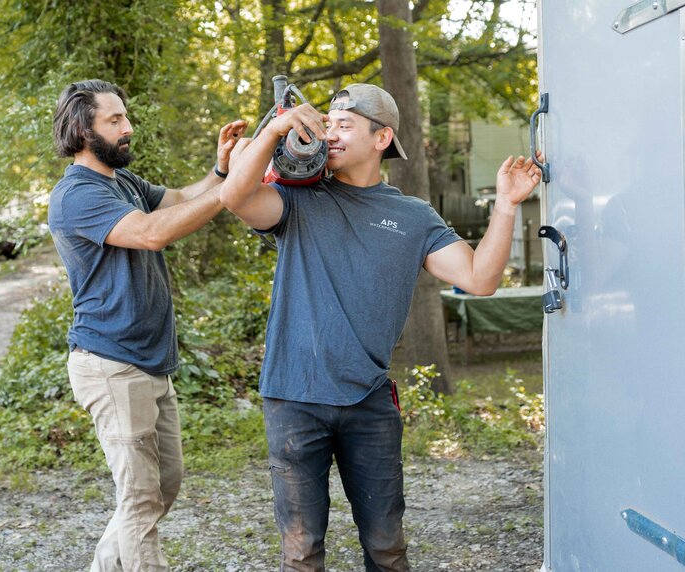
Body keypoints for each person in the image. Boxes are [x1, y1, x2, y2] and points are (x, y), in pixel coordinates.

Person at [219, 83, 541, 571]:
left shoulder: (413, 218)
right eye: (326, 124)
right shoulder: (296, 202)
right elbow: (234, 195)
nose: (329, 134)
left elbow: (480, 279)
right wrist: (277, 129)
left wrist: (506, 205)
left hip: (368, 403)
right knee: (301, 551)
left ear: (382, 138)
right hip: (294, 398)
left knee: (387, 546)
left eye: (344, 125)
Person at [48, 79, 247, 572]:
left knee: (163, 485)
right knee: (140, 500)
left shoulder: (122, 182)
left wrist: (221, 172)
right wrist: (231, 193)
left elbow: (178, 199)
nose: (128, 127)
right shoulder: (75, 195)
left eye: (125, 116)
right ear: (81, 129)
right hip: (112, 364)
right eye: (114, 120)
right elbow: (154, 233)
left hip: (148, 361)